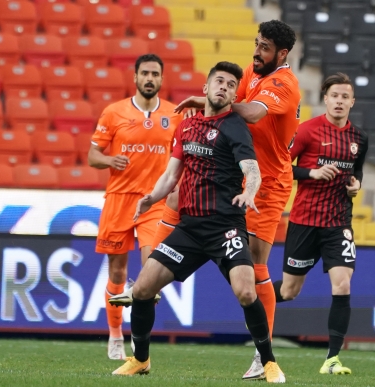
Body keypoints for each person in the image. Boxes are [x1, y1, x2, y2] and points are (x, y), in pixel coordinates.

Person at [111, 61, 286, 383]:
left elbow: (252, 170)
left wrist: (249, 192)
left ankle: (269, 361)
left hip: (225, 227)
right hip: (190, 229)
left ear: (235, 94)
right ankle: (140, 358)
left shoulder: (235, 127)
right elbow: (171, 174)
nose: (225, 87)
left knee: (246, 292)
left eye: (232, 85)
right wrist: (151, 197)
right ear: (205, 88)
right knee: (142, 289)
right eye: (219, 81)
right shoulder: (186, 127)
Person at [174, 20, 300, 380]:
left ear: (282, 54)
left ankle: (265, 355)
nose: (256, 52)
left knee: (258, 266)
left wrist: (204, 100)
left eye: (264, 47)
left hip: (270, 181)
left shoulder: (284, 84)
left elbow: (250, 111)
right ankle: (154, 274)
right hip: (237, 172)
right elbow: (231, 102)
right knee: (176, 200)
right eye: (256, 43)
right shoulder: (252, 71)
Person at [273, 73, 368, 375]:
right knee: (289, 291)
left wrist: (356, 186)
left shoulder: (359, 139)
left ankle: (331, 359)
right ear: (325, 99)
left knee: (342, 284)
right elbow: (281, 167)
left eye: (345, 96)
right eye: (334, 95)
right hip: (304, 221)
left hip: (338, 224)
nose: (339, 101)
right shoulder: (307, 131)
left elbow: (357, 173)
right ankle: (253, 294)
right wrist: (311, 173)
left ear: (352, 101)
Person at [88, 54, 182, 360]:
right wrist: (108, 160)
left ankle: (139, 337)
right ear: (136, 78)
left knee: (152, 269)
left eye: (155, 74)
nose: (150, 78)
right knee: (117, 271)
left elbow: (180, 157)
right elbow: (92, 156)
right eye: (145, 73)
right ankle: (115, 334)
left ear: (161, 79)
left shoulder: (173, 113)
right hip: (119, 198)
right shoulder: (114, 112)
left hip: (153, 201)